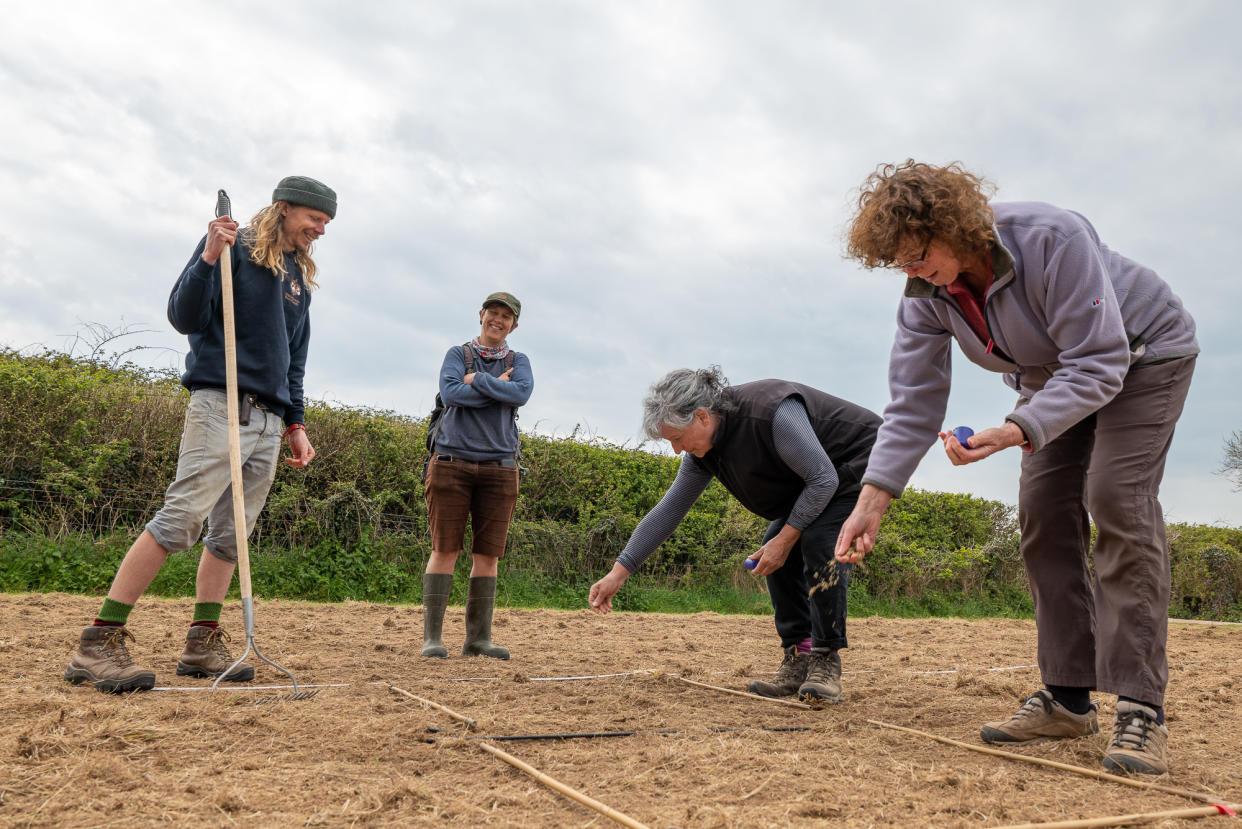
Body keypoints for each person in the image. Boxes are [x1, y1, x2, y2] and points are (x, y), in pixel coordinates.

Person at [835, 160, 1198, 774]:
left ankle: (1141, 709)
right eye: (898, 262)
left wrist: (1016, 428)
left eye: (919, 254)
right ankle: (1067, 696)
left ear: (958, 227)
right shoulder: (926, 293)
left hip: (1141, 356)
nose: (912, 272)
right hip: (1054, 377)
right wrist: (871, 503)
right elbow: (914, 400)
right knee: (1041, 513)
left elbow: (1100, 360)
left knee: (1115, 497)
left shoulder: (1052, 238)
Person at [64, 176, 336, 693]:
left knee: (232, 536)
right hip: (221, 404)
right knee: (181, 518)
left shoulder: (297, 278)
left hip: (269, 419)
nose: (320, 231)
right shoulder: (233, 246)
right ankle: (97, 641)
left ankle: (202, 642)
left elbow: (295, 361)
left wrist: (296, 423)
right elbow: (182, 315)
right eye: (315, 220)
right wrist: (209, 255)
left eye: (326, 224)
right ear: (285, 209)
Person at [589, 367, 881, 703]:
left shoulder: (770, 413)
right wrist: (618, 572)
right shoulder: (703, 455)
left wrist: (785, 541)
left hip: (857, 466)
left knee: (816, 541)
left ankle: (826, 660)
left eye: (676, 439)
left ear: (701, 417)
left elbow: (824, 480)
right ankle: (799, 657)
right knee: (774, 555)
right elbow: (668, 512)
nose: (675, 450)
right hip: (815, 482)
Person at [421, 292, 533, 660]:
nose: (498, 320)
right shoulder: (457, 354)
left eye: (506, 316)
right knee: (445, 550)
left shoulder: (521, 361)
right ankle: (433, 640)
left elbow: (522, 394)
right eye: (493, 313)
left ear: (514, 325)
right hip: (451, 462)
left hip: (500, 467)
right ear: (481, 315)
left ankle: (478, 640)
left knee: (488, 555)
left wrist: (478, 382)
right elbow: (451, 394)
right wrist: (498, 387)